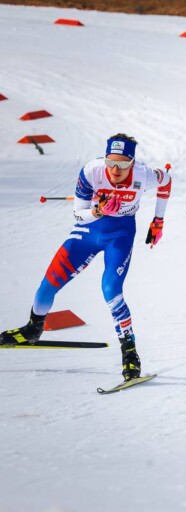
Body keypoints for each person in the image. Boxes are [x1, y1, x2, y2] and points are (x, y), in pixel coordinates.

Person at [0, 134, 171, 381]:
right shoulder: (92, 171)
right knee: (47, 287)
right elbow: (78, 215)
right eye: (111, 162)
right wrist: (97, 210)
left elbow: (166, 181)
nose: (115, 169)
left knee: (111, 289)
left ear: (133, 163)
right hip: (88, 231)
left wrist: (158, 220)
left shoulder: (144, 175)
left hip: (119, 235)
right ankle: (33, 328)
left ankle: (129, 351)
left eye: (122, 165)